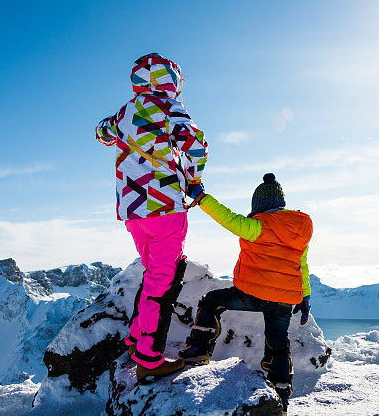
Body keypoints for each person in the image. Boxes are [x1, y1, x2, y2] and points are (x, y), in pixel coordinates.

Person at [96, 53, 208, 381]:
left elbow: (101, 134)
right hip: (165, 208)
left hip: (132, 211)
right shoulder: (170, 108)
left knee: (153, 275)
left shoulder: (124, 112)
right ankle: (148, 358)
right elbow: (196, 146)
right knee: (162, 283)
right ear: (169, 80)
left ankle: (134, 338)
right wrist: (193, 179)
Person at [178, 173, 312, 410]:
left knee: (212, 301)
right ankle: (281, 391)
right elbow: (302, 264)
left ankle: (199, 349)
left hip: (253, 294)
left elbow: (227, 217)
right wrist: (306, 297)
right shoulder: (299, 232)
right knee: (278, 344)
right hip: (283, 300)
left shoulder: (257, 227)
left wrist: (201, 197)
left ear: (258, 206)